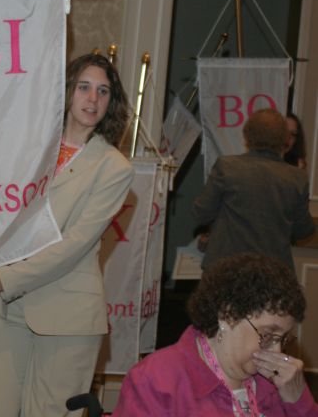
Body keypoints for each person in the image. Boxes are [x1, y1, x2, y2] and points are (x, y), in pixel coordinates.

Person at [0, 52, 134, 417]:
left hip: (66, 316)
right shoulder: (24, 148)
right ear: (67, 90)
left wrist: (3, 279)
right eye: (84, 87)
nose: (92, 99)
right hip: (4, 308)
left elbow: (74, 245)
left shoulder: (114, 167)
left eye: (103, 92)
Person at [113, 253, 318, 416]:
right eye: (267, 334)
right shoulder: (158, 379)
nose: (276, 350)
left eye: (282, 339)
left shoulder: (273, 382)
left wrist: (297, 400)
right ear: (227, 316)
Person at [192, 108, 315, 270]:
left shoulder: (227, 167)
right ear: (284, 139)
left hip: (225, 269)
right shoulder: (297, 177)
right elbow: (303, 230)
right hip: (272, 271)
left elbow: (200, 214)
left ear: (247, 135)